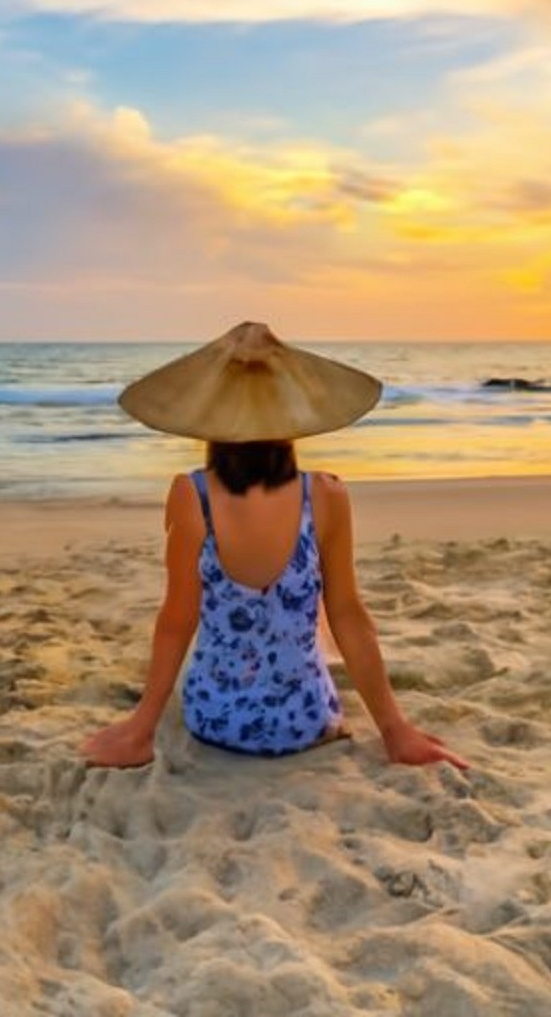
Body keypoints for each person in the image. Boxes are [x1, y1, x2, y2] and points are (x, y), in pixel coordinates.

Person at [82, 322, 468, 771]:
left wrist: (141, 728)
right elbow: (349, 616)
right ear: (291, 416)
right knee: (321, 616)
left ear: (210, 417)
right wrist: (395, 730)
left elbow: (176, 620)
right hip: (305, 721)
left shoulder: (192, 496)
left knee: (213, 628)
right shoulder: (326, 495)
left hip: (216, 720)